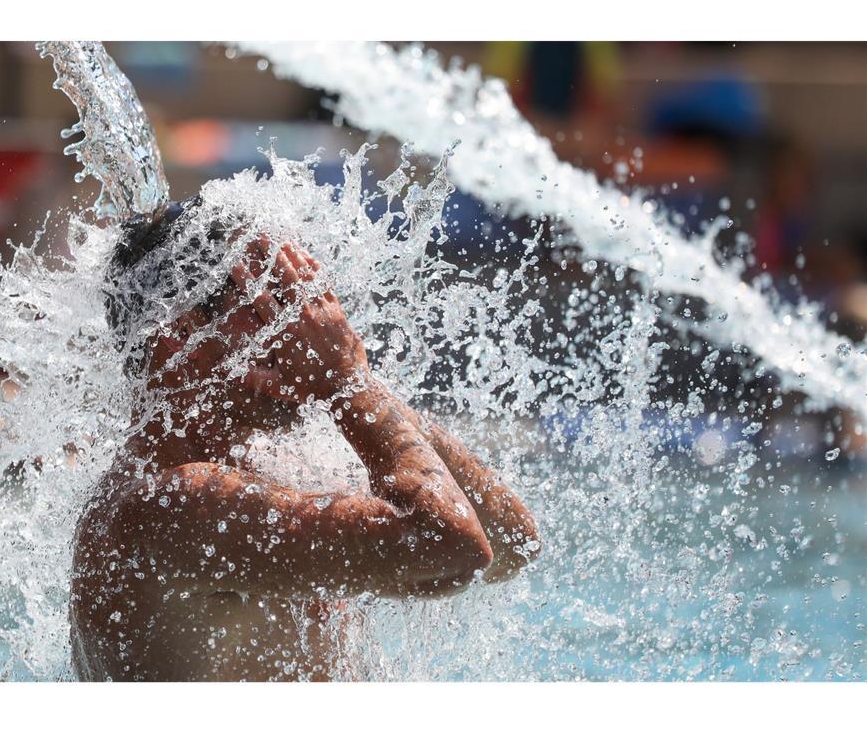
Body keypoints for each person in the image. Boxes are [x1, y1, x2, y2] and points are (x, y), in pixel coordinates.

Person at [70, 202, 540, 681]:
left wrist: (352, 381)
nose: (304, 325)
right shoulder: (166, 503)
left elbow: (512, 544)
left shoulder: (272, 461)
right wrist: (347, 380)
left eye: (304, 305)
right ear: (182, 334)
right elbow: (452, 545)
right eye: (274, 306)